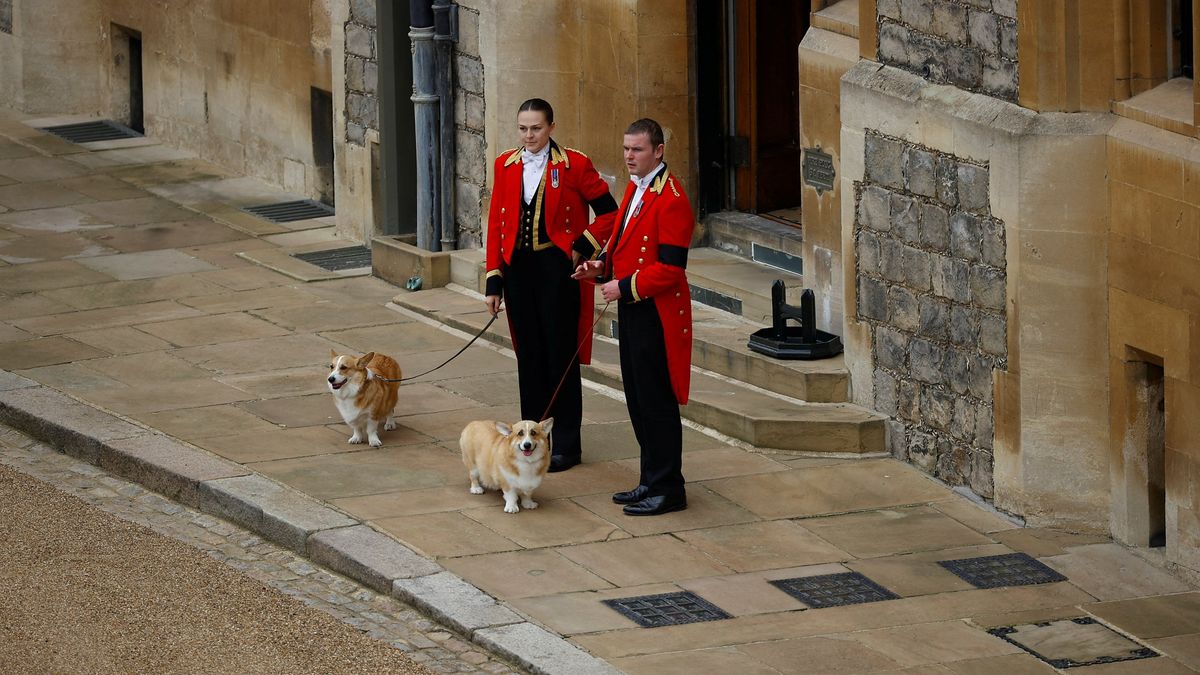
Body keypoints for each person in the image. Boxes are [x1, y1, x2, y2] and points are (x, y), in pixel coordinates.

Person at [484, 98, 618, 472]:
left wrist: (583, 246)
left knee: (561, 357)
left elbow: (610, 212)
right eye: (523, 128)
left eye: (537, 128)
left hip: (558, 271)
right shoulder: (505, 165)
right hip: (519, 272)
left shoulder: (574, 164)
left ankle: (568, 446)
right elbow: (496, 224)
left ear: (551, 128)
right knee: (529, 356)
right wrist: (494, 280)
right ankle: (532, 441)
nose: (529, 136)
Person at [572, 118, 694, 516]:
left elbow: (672, 268)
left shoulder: (672, 198)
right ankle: (650, 479)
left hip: (657, 314)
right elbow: (622, 246)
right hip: (634, 310)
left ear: (658, 151)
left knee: (656, 401)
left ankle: (668, 488)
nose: (629, 157)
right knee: (638, 399)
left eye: (637, 150)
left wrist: (624, 287)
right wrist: (599, 268)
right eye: (626, 149)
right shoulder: (634, 189)